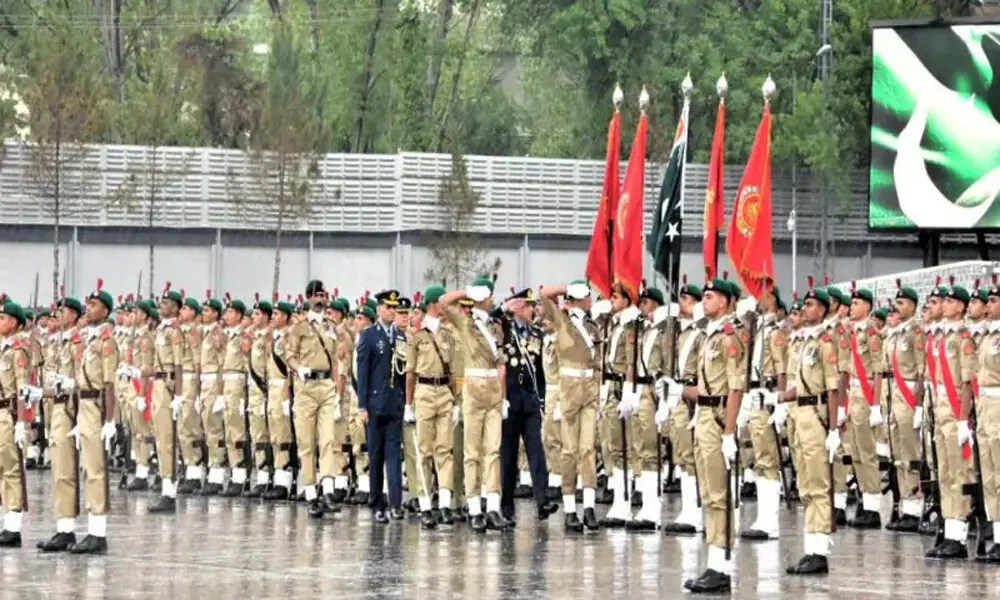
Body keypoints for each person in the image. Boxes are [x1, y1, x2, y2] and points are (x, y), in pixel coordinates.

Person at [683, 278, 747, 594]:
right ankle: (712, 562)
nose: (702, 302)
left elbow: (735, 386)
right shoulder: (709, 336)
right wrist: (679, 391)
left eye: (708, 297)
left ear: (723, 301)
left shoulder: (731, 336)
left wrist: (730, 433)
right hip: (705, 416)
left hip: (721, 418)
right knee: (708, 492)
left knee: (719, 494)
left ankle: (720, 566)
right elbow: (706, 388)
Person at [439, 277, 508, 532]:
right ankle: (474, 507)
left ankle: (492, 506)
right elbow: (444, 302)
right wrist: (466, 291)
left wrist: (504, 395)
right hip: (473, 385)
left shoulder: (495, 326)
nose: (492, 299)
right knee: (472, 451)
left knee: (493, 449)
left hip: (492, 387)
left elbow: (500, 361)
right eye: (489, 295)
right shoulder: (465, 322)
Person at [782, 281, 841, 576]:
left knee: (818, 484)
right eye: (804, 305)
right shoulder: (802, 340)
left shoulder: (825, 341)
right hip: (798, 413)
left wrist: (833, 428)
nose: (805, 310)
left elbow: (832, 388)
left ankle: (820, 550)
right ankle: (810, 547)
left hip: (816, 416)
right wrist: (780, 399)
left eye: (810, 305)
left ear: (822, 309)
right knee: (804, 483)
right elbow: (795, 383)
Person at [539, 280, 600, 532]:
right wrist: (567, 290)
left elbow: (599, 360)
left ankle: (589, 507)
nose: (589, 301)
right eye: (586, 297)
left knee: (588, 448)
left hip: (589, 387)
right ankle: (570, 508)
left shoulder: (593, 326)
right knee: (569, 450)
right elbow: (544, 294)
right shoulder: (562, 320)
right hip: (568, 387)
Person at [63, 281, 119, 554]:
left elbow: (110, 384)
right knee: (87, 469)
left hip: (97, 408)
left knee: (96, 470)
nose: (88, 308)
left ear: (106, 311)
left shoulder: (107, 341)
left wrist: (110, 420)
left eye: (93, 305)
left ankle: (99, 534)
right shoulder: (90, 339)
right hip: (84, 408)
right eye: (88, 304)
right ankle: (91, 530)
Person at [498, 288, 557, 525]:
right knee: (509, 453)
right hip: (510, 400)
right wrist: (504, 310)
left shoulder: (536, 334)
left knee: (536, 450)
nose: (534, 311)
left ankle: (542, 500)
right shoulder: (504, 328)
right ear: (518, 307)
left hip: (530, 400)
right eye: (530, 306)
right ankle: (507, 503)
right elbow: (489, 320)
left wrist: (540, 398)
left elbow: (539, 370)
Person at [285, 280, 342, 518]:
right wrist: (299, 369)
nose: (321, 299)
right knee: (307, 443)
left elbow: (335, 361)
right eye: (317, 296)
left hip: (326, 385)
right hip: (306, 387)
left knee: (328, 440)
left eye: (323, 295)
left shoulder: (331, 326)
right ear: (308, 298)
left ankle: (327, 490)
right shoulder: (299, 327)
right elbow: (289, 355)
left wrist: (338, 393)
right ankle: (310, 493)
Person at [926, 283, 975, 560]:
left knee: (959, 473)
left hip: (955, 408)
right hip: (941, 407)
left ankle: (959, 535)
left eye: (949, 301)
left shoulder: (963, 338)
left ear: (960, 306)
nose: (943, 304)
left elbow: (966, 382)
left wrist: (962, 419)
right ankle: (949, 531)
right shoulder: (941, 337)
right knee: (944, 473)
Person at [405, 285, 459, 529]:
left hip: (444, 393)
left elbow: (454, 370)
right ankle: (426, 505)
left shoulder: (449, 333)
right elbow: (410, 372)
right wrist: (409, 404)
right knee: (424, 451)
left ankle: (445, 504)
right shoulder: (417, 334)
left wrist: (456, 401)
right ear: (433, 304)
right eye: (443, 302)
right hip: (425, 392)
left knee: (444, 450)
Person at [357, 289, 406, 524]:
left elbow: (403, 372)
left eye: (394, 308)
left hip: (395, 402)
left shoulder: (401, 337)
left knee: (395, 455)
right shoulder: (368, 336)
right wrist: (362, 406)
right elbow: (363, 373)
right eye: (387, 307)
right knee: (376, 456)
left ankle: (396, 502)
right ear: (378, 309)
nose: (391, 311)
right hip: (375, 405)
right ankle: (377, 502)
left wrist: (406, 400)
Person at [842, 285, 884, 529]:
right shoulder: (853, 332)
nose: (851, 307)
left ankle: (873, 508)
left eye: (856, 303)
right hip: (855, 393)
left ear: (867, 307)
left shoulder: (871, 333)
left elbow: (878, 371)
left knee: (867, 454)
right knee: (856, 453)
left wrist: (876, 405)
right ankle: (865, 501)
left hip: (866, 394)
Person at [148, 284, 184, 513]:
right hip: (158, 383)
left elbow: (179, 364)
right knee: (160, 438)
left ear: (176, 307)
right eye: (161, 303)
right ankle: (165, 485)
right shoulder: (161, 330)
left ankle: (169, 492)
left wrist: (179, 395)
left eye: (167, 303)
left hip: (169, 384)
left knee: (167, 439)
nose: (162, 306)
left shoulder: (174, 331)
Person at [0, 297, 30, 547]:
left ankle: (14, 526)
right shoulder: (2, 348)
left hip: (8, 414)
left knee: (11, 469)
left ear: (15, 323)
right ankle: (5, 519)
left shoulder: (19, 351)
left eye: (2, 318)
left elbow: (22, 389)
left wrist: (21, 421)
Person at [974, 281, 1000, 563]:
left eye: (993, 301)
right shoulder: (986, 335)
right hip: (986, 407)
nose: (988, 305)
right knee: (991, 478)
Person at [263, 299, 296, 500]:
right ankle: (277, 477)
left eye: (276, 314)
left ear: (285, 317)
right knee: (274, 435)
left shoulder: (288, 338)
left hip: (282, 388)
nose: (273, 318)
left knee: (283, 436)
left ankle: (284, 481)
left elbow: (290, 370)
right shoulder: (273, 338)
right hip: (272, 390)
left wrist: (286, 396)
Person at [198, 292, 227, 496]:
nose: (203, 313)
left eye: (207, 310)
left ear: (216, 314)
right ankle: (208, 470)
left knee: (215, 430)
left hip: (214, 383)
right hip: (203, 384)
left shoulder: (218, 334)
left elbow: (222, 365)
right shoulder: (204, 332)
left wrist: (220, 394)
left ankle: (216, 474)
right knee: (207, 428)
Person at [177, 295, 204, 493]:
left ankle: (194, 470)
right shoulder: (180, 331)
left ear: (194, 312)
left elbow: (197, 363)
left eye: (186, 308)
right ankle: (188, 466)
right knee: (182, 426)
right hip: (181, 379)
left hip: (191, 380)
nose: (182, 311)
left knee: (190, 424)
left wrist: (198, 391)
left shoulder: (194, 333)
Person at [246, 296, 273, 497]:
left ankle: (272, 477)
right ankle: (261, 476)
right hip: (253, 392)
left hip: (266, 390)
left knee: (271, 435)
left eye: (257, 313)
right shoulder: (254, 337)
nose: (253, 317)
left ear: (266, 316)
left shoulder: (269, 338)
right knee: (257, 435)